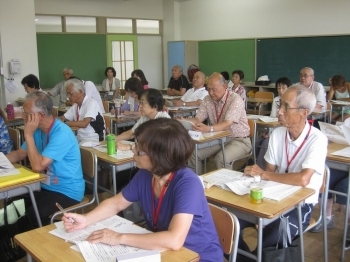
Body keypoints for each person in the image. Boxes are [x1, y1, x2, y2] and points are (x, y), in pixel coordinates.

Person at [62, 118, 223, 261]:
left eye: (139, 149)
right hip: (162, 250)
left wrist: (119, 237)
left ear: (158, 156)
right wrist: (87, 219)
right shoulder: (146, 175)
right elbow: (116, 204)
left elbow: (174, 240)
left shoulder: (188, 183)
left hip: (196, 255)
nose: (133, 151)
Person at [241, 86, 327, 250]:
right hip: (274, 197)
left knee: (274, 236)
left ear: (304, 112)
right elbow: (270, 172)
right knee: (227, 223)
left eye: (286, 107)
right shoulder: (278, 134)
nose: (279, 111)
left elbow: (303, 179)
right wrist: (263, 210)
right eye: (280, 104)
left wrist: (264, 174)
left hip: (301, 205)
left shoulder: (318, 139)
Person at [6, 91, 84, 227]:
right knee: (11, 205)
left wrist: (28, 135)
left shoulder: (61, 133)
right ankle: (9, 245)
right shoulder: (38, 130)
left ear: (40, 116)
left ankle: (22, 245)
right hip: (43, 186)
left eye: (26, 113)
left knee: (29, 216)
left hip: (66, 191)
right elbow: (19, 154)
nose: (23, 116)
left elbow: (38, 166)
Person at [186, 72, 252, 175]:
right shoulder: (207, 99)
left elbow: (227, 123)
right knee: (192, 153)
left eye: (214, 89)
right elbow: (198, 119)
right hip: (219, 138)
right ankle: (196, 185)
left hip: (238, 139)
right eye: (208, 89)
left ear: (224, 86)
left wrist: (208, 129)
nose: (211, 93)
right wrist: (182, 121)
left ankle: (227, 188)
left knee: (220, 159)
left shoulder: (235, 99)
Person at [309, 117, 350, 236]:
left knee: (343, 187)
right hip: (344, 160)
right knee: (324, 176)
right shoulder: (348, 121)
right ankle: (326, 218)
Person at [255, 77, 292, 169]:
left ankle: (261, 168)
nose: (280, 90)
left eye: (283, 87)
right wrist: (267, 132)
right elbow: (272, 118)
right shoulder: (276, 99)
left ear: (289, 88)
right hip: (273, 128)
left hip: (283, 130)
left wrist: (271, 132)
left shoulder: (292, 102)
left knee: (266, 143)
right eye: (278, 88)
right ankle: (253, 162)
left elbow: (286, 122)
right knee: (256, 141)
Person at [59, 79, 105, 144]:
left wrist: (66, 123)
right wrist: (53, 121)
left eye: (70, 93)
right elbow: (63, 118)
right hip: (81, 138)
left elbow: (84, 123)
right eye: (67, 94)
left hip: (93, 139)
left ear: (80, 91)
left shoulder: (91, 103)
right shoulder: (75, 105)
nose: (68, 96)